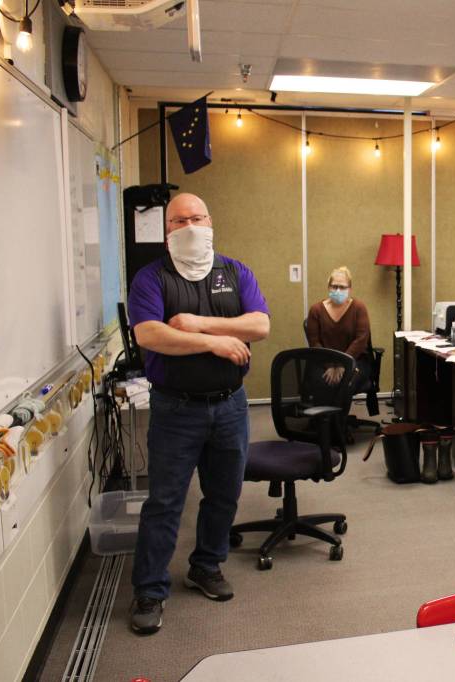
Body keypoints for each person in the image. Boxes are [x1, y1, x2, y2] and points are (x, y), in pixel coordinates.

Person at [126, 193, 270, 635]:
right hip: (176, 409)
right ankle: (149, 590)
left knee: (224, 494)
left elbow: (260, 325)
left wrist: (198, 324)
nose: (188, 226)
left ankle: (206, 565)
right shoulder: (151, 278)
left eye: (196, 217)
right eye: (178, 220)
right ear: (166, 230)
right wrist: (215, 343)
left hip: (230, 405)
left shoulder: (234, 271)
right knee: (165, 502)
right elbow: (150, 334)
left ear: (211, 221)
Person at [306, 267, 373, 394]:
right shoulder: (316, 310)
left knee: (346, 382)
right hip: (323, 361)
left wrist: (344, 364)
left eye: (342, 287)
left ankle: (340, 414)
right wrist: (330, 365)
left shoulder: (359, 308)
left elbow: (361, 340)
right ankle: (326, 414)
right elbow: (314, 342)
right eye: (334, 286)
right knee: (321, 382)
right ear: (328, 287)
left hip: (355, 360)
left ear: (350, 289)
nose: (338, 290)